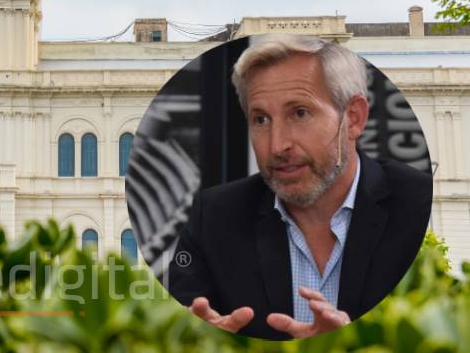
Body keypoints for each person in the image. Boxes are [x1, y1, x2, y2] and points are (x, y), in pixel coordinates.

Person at [166, 34, 431, 340]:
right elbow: (180, 321)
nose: (277, 145)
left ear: (353, 118)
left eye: (300, 113)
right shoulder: (213, 216)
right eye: (261, 119)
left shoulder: (417, 205)